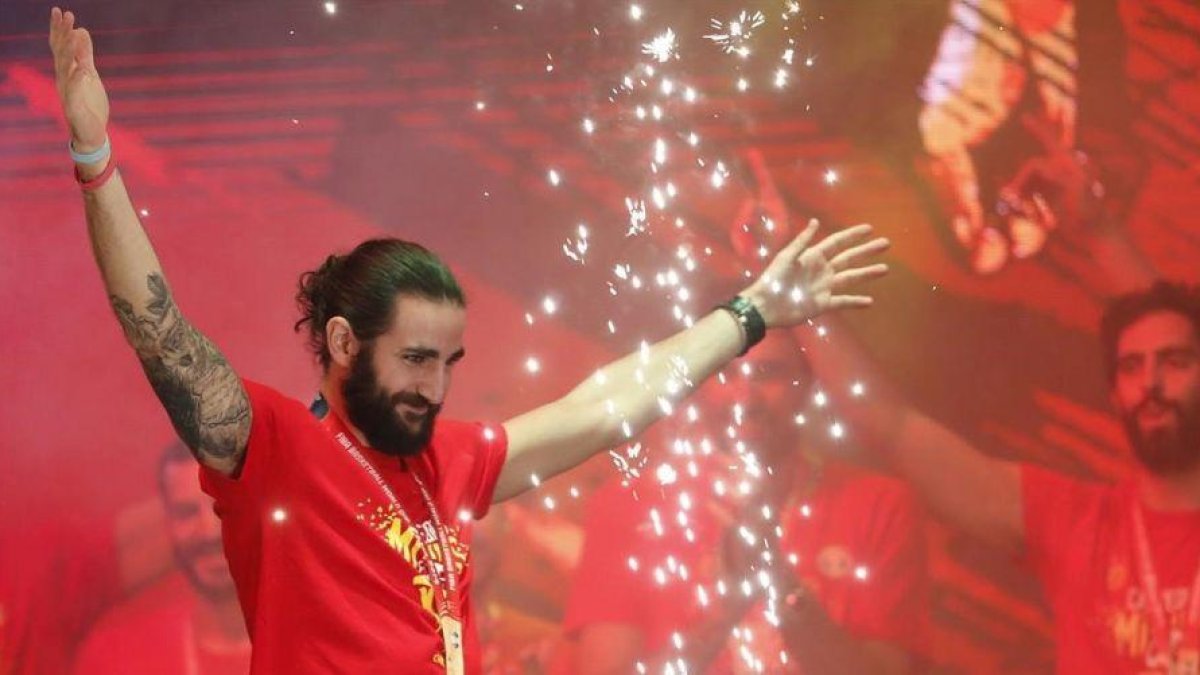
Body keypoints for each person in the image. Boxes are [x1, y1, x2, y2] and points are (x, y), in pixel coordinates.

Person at [47, 7, 891, 673]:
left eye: (447, 362)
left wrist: (747, 315)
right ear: (344, 342)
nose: (435, 385)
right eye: (416, 357)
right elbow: (162, 338)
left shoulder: (450, 463)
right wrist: (94, 156)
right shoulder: (276, 451)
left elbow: (604, 408)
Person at [794, 279, 1200, 673]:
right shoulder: (1080, 521)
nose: (1151, 383)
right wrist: (804, 301)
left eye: (1175, 361)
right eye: (1132, 367)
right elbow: (892, 426)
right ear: (1115, 395)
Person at [558, 335, 928, 674]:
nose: (744, 398)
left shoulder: (878, 506)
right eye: (724, 373)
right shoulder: (633, 505)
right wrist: (722, 614)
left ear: (808, 384)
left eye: (768, 374)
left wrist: (780, 586)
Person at [72, 443, 250, 675]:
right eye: (187, 512)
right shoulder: (117, 656)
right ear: (168, 525)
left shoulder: (310, 638)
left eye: (226, 507)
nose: (210, 532)